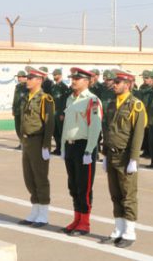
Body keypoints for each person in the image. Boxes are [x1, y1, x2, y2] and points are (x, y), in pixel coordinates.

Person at [101, 70, 147, 248]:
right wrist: (104, 154)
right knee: (115, 194)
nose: (115, 85)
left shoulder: (135, 105)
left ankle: (129, 231)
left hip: (125, 155)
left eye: (118, 82)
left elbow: (138, 134)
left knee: (128, 195)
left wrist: (134, 159)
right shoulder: (112, 104)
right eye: (115, 82)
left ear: (127, 84)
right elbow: (107, 130)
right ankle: (118, 229)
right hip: (112, 154)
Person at [60, 68, 102, 236]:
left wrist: (89, 150)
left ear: (87, 81)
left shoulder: (92, 100)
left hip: (83, 147)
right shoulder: (70, 99)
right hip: (70, 146)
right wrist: (63, 147)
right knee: (73, 185)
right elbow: (66, 126)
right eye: (72, 78)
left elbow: (95, 127)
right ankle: (77, 218)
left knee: (84, 187)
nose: (74, 81)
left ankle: (85, 223)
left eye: (77, 78)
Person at [18, 66, 55, 227]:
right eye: (27, 77)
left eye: (31, 78)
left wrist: (46, 146)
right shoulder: (27, 97)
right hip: (27, 142)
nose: (28, 80)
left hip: (38, 141)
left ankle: (44, 213)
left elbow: (49, 123)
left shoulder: (45, 99)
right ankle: (35, 209)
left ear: (39, 80)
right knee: (29, 177)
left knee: (40, 177)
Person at [51, 68, 70, 155]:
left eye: (56, 75)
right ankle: (58, 148)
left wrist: (63, 113)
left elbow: (65, 101)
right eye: (54, 75)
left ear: (60, 75)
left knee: (62, 131)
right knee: (55, 132)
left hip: (60, 113)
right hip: (53, 112)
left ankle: (64, 149)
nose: (55, 76)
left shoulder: (64, 87)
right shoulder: (53, 87)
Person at [12, 70, 28, 150]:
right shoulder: (17, 87)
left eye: (20, 77)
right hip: (17, 110)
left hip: (24, 111)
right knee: (17, 128)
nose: (19, 79)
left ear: (24, 77)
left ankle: (25, 144)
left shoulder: (28, 86)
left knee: (23, 128)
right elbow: (15, 98)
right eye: (18, 77)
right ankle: (21, 142)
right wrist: (13, 108)